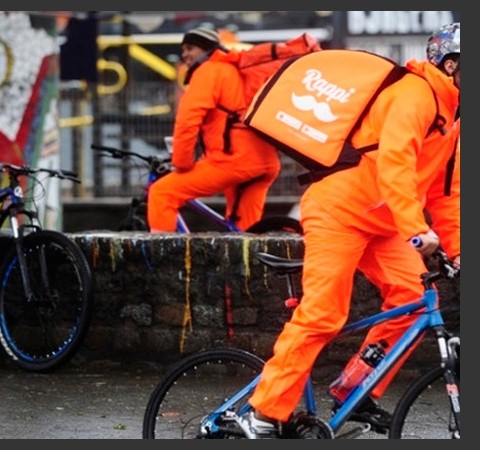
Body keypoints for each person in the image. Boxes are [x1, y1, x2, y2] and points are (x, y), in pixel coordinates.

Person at [240, 22, 461, 438]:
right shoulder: (415, 94)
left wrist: (458, 248)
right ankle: (263, 413)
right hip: (339, 210)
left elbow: (447, 194)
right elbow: (394, 165)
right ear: (451, 65)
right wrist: (417, 231)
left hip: (383, 221)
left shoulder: (454, 116)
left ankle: (356, 391)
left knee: (413, 299)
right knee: (323, 314)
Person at [147, 25, 281, 232]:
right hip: (265, 161)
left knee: (163, 192)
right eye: (183, 50)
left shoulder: (208, 70)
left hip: (232, 160)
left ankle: (164, 260)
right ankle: (252, 263)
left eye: (190, 48)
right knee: (245, 233)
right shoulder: (237, 69)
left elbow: (188, 120)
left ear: (206, 49)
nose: (185, 55)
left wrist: (181, 163)